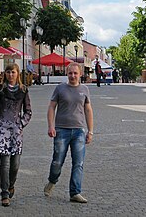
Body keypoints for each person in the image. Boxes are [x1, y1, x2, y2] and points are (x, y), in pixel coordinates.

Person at [44, 62, 94, 203]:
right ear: (67, 74)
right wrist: (51, 126)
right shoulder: (60, 88)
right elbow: (51, 107)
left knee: (78, 163)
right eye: (70, 73)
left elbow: (88, 110)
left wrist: (90, 131)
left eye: (75, 73)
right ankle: (52, 180)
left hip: (78, 131)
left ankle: (75, 192)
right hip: (61, 130)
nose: (73, 76)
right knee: (57, 162)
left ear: (80, 74)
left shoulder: (84, 89)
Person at [0, 63, 32, 207]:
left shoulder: (23, 90)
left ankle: (11, 184)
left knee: (15, 165)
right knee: (4, 163)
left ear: (17, 73)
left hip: (16, 131)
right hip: (2, 131)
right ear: (5, 74)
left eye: (13, 72)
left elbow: (28, 111)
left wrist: (21, 123)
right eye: (8, 72)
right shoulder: (0, 90)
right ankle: (4, 193)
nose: (10, 75)